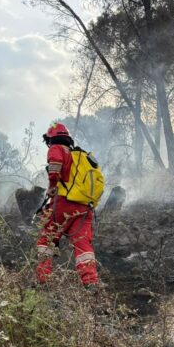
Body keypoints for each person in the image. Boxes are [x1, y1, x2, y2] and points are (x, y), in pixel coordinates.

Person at [35, 122, 100, 287]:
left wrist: (51, 186)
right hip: (85, 207)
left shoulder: (56, 148)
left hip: (64, 204)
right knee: (82, 244)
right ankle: (91, 282)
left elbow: (55, 167)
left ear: (51, 139)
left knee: (47, 239)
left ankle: (43, 279)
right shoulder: (81, 156)